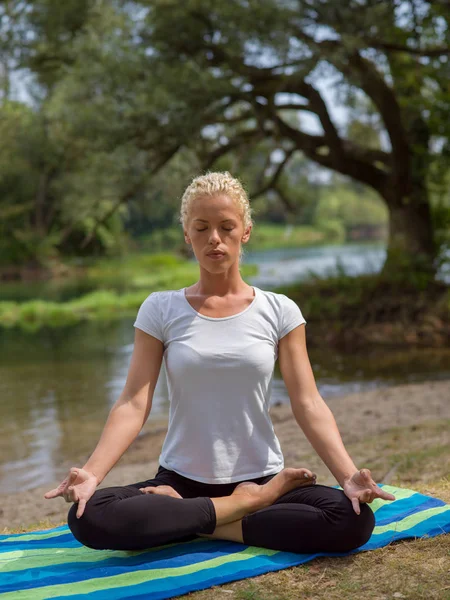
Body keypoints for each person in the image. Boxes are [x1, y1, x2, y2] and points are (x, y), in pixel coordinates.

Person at [44, 171, 395, 553]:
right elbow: (133, 402)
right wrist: (91, 474)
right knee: (90, 515)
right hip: (180, 481)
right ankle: (241, 510)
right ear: (186, 235)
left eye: (226, 227)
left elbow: (308, 402)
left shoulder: (280, 311)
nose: (214, 238)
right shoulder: (160, 309)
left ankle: (200, 520)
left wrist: (348, 476)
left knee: (354, 521)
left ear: (245, 231)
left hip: (262, 478)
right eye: (202, 227)